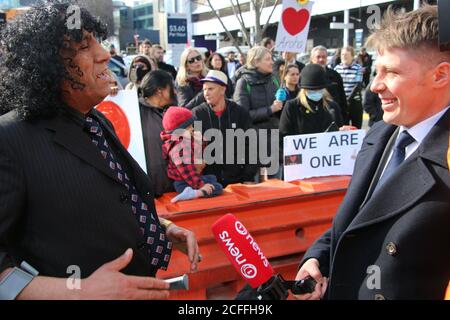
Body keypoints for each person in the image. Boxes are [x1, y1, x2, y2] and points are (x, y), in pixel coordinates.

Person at [0, 2, 199, 300]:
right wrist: (77, 291)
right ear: (48, 65)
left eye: (97, 41)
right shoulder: (9, 139)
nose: (104, 54)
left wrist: (162, 228)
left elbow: (116, 197)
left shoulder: (96, 119)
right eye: (83, 47)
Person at [295, 5, 450, 300]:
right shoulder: (379, 135)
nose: (375, 86)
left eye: (391, 72)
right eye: (376, 70)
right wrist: (317, 258)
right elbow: (353, 225)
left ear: (440, 75)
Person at [192, 70, 257, 187]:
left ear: (223, 89)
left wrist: (249, 176)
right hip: (208, 183)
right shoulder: (197, 114)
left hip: (237, 180)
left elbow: (250, 146)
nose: (206, 93)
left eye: (210, 89)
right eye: (204, 89)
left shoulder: (240, 112)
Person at [234, 46, 282, 180]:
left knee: (276, 183)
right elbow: (242, 115)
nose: (272, 62)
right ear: (256, 62)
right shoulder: (243, 83)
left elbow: (279, 109)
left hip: (273, 138)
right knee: (255, 183)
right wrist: (269, 110)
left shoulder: (274, 80)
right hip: (252, 141)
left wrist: (283, 101)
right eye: (268, 59)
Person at [161, 107, 223, 203]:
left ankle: (194, 191)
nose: (192, 128)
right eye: (189, 127)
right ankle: (196, 193)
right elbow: (187, 171)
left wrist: (199, 140)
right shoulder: (179, 148)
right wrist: (201, 185)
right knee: (217, 187)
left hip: (191, 178)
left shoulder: (185, 140)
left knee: (213, 178)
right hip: (184, 182)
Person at [279, 64, 344, 146]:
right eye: (312, 89)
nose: (316, 91)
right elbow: (283, 137)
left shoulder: (333, 107)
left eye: (319, 89)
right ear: (304, 89)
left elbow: (339, 134)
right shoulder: (292, 107)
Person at [137, 70, 177, 197]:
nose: (174, 92)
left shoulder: (173, 111)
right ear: (160, 91)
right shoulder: (135, 111)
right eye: (171, 87)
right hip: (146, 189)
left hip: (172, 188)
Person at [310, 45, 349, 124]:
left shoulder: (335, 75)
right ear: (312, 58)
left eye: (324, 57)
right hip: (313, 119)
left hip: (334, 117)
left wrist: (344, 120)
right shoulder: (306, 76)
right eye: (318, 57)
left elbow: (342, 99)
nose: (321, 59)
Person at [335, 46, 364, 129]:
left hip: (355, 102)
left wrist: (348, 99)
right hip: (342, 103)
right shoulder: (337, 68)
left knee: (357, 127)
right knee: (344, 126)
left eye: (346, 55)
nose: (344, 57)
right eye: (342, 54)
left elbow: (358, 85)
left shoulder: (358, 68)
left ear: (352, 56)